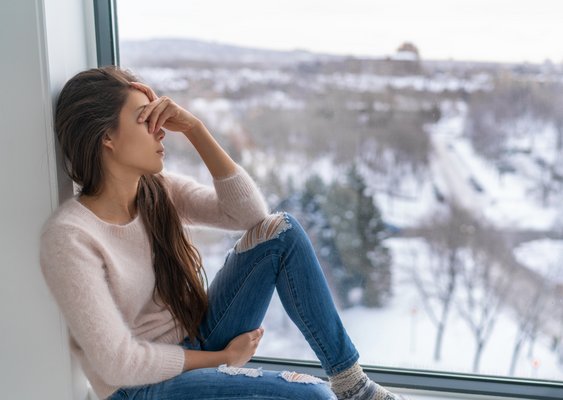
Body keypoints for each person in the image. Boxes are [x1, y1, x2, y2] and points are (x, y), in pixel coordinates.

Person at [40, 66, 410, 400]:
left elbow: (250, 215)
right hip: (137, 387)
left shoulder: (157, 190)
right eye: (144, 120)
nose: (161, 131)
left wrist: (196, 129)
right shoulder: (70, 237)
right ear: (108, 137)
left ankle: (353, 385)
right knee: (310, 397)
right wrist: (221, 359)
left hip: (195, 337)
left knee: (282, 232)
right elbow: (119, 364)